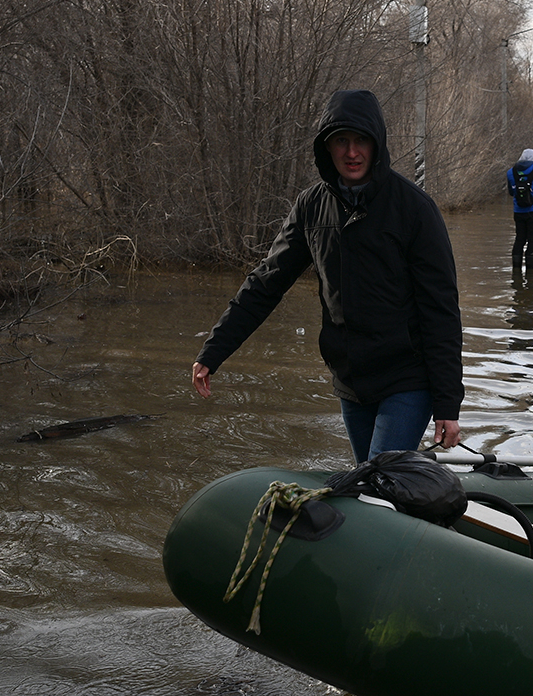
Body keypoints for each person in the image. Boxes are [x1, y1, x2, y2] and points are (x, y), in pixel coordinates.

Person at [191, 89, 463, 463]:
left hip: (406, 377)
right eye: (341, 141)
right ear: (327, 148)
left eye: (361, 141)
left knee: (378, 482)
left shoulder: (414, 209)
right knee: (366, 478)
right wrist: (214, 350)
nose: (352, 152)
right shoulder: (311, 207)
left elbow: (441, 310)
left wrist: (447, 403)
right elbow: (266, 283)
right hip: (350, 378)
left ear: (377, 144)